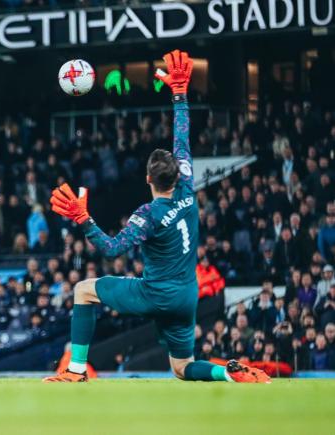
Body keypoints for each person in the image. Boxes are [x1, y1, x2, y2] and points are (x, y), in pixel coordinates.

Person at [44, 51, 270, 384]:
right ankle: (228, 373)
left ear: (148, 179)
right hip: (187, 295)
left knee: (83, 290)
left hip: (156, 294)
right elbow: (182, 137)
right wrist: (179, 95)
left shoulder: (148, 215)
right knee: (182, 368)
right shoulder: (188, 188)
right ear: (176, 175)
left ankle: (76, 370)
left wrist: (85, 220)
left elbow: (110, 249)